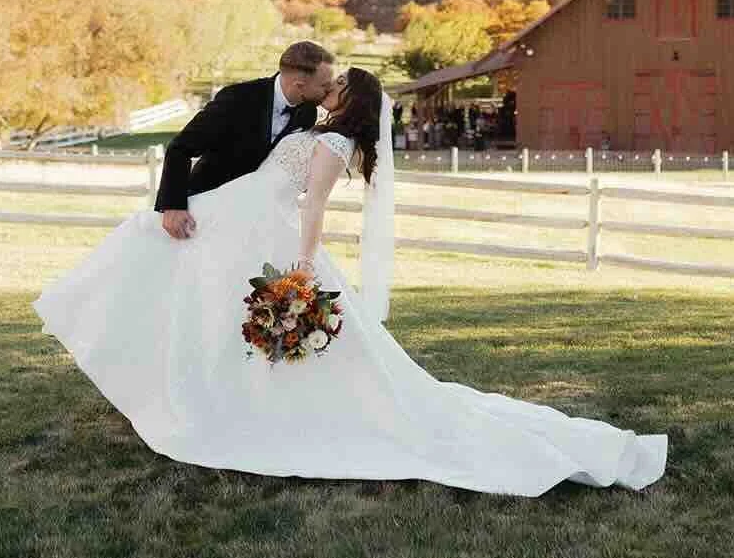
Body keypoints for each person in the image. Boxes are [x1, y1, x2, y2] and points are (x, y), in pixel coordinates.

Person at [33, 67, 667, 495]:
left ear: (350, 99)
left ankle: (240, 404)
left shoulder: (335, 144)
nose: (327, 88)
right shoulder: (322, 129)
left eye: (336, 85)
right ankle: (194, 383)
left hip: (272, 236)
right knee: (170, 277)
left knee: (257, 327)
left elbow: (312, 205)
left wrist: (304, 265)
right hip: (236, 218)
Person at [153, 41, 335, 240]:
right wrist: (173, 206)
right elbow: (180, 147)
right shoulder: (237, 98)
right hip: (206, 208)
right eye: (325, 86)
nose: (330, 90)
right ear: (300, 85)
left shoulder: (308, 113)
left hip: (253, 220)